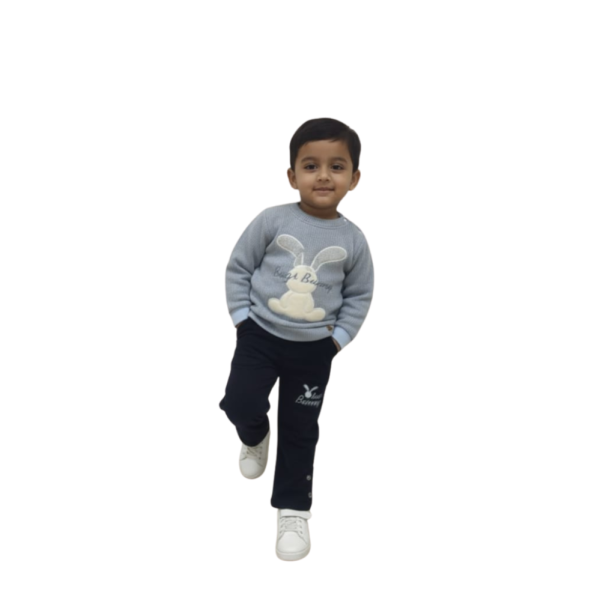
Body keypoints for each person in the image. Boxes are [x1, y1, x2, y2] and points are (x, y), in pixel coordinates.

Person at [219, 117, 375, 561]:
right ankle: (255, 433)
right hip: (259, 336)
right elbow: (239, 267)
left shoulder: (353, 240)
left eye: (336, 166)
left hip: (313, 350)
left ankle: (293, 509)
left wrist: (336, 341)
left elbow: (360, 295)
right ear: (292, 175)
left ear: (354, 178)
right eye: (310, 166)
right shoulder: (272, 220)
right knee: (240, 402)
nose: (323, 176)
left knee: (301, 429)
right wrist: (243, 320)